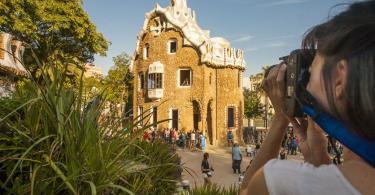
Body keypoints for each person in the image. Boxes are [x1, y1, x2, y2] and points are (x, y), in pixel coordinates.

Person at [241, 1, 375, 194]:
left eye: (310, 72)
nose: (304, 84)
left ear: (339, 80)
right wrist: (318, 157)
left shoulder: (280, 181)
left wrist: (281, 117)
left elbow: (246, 189)